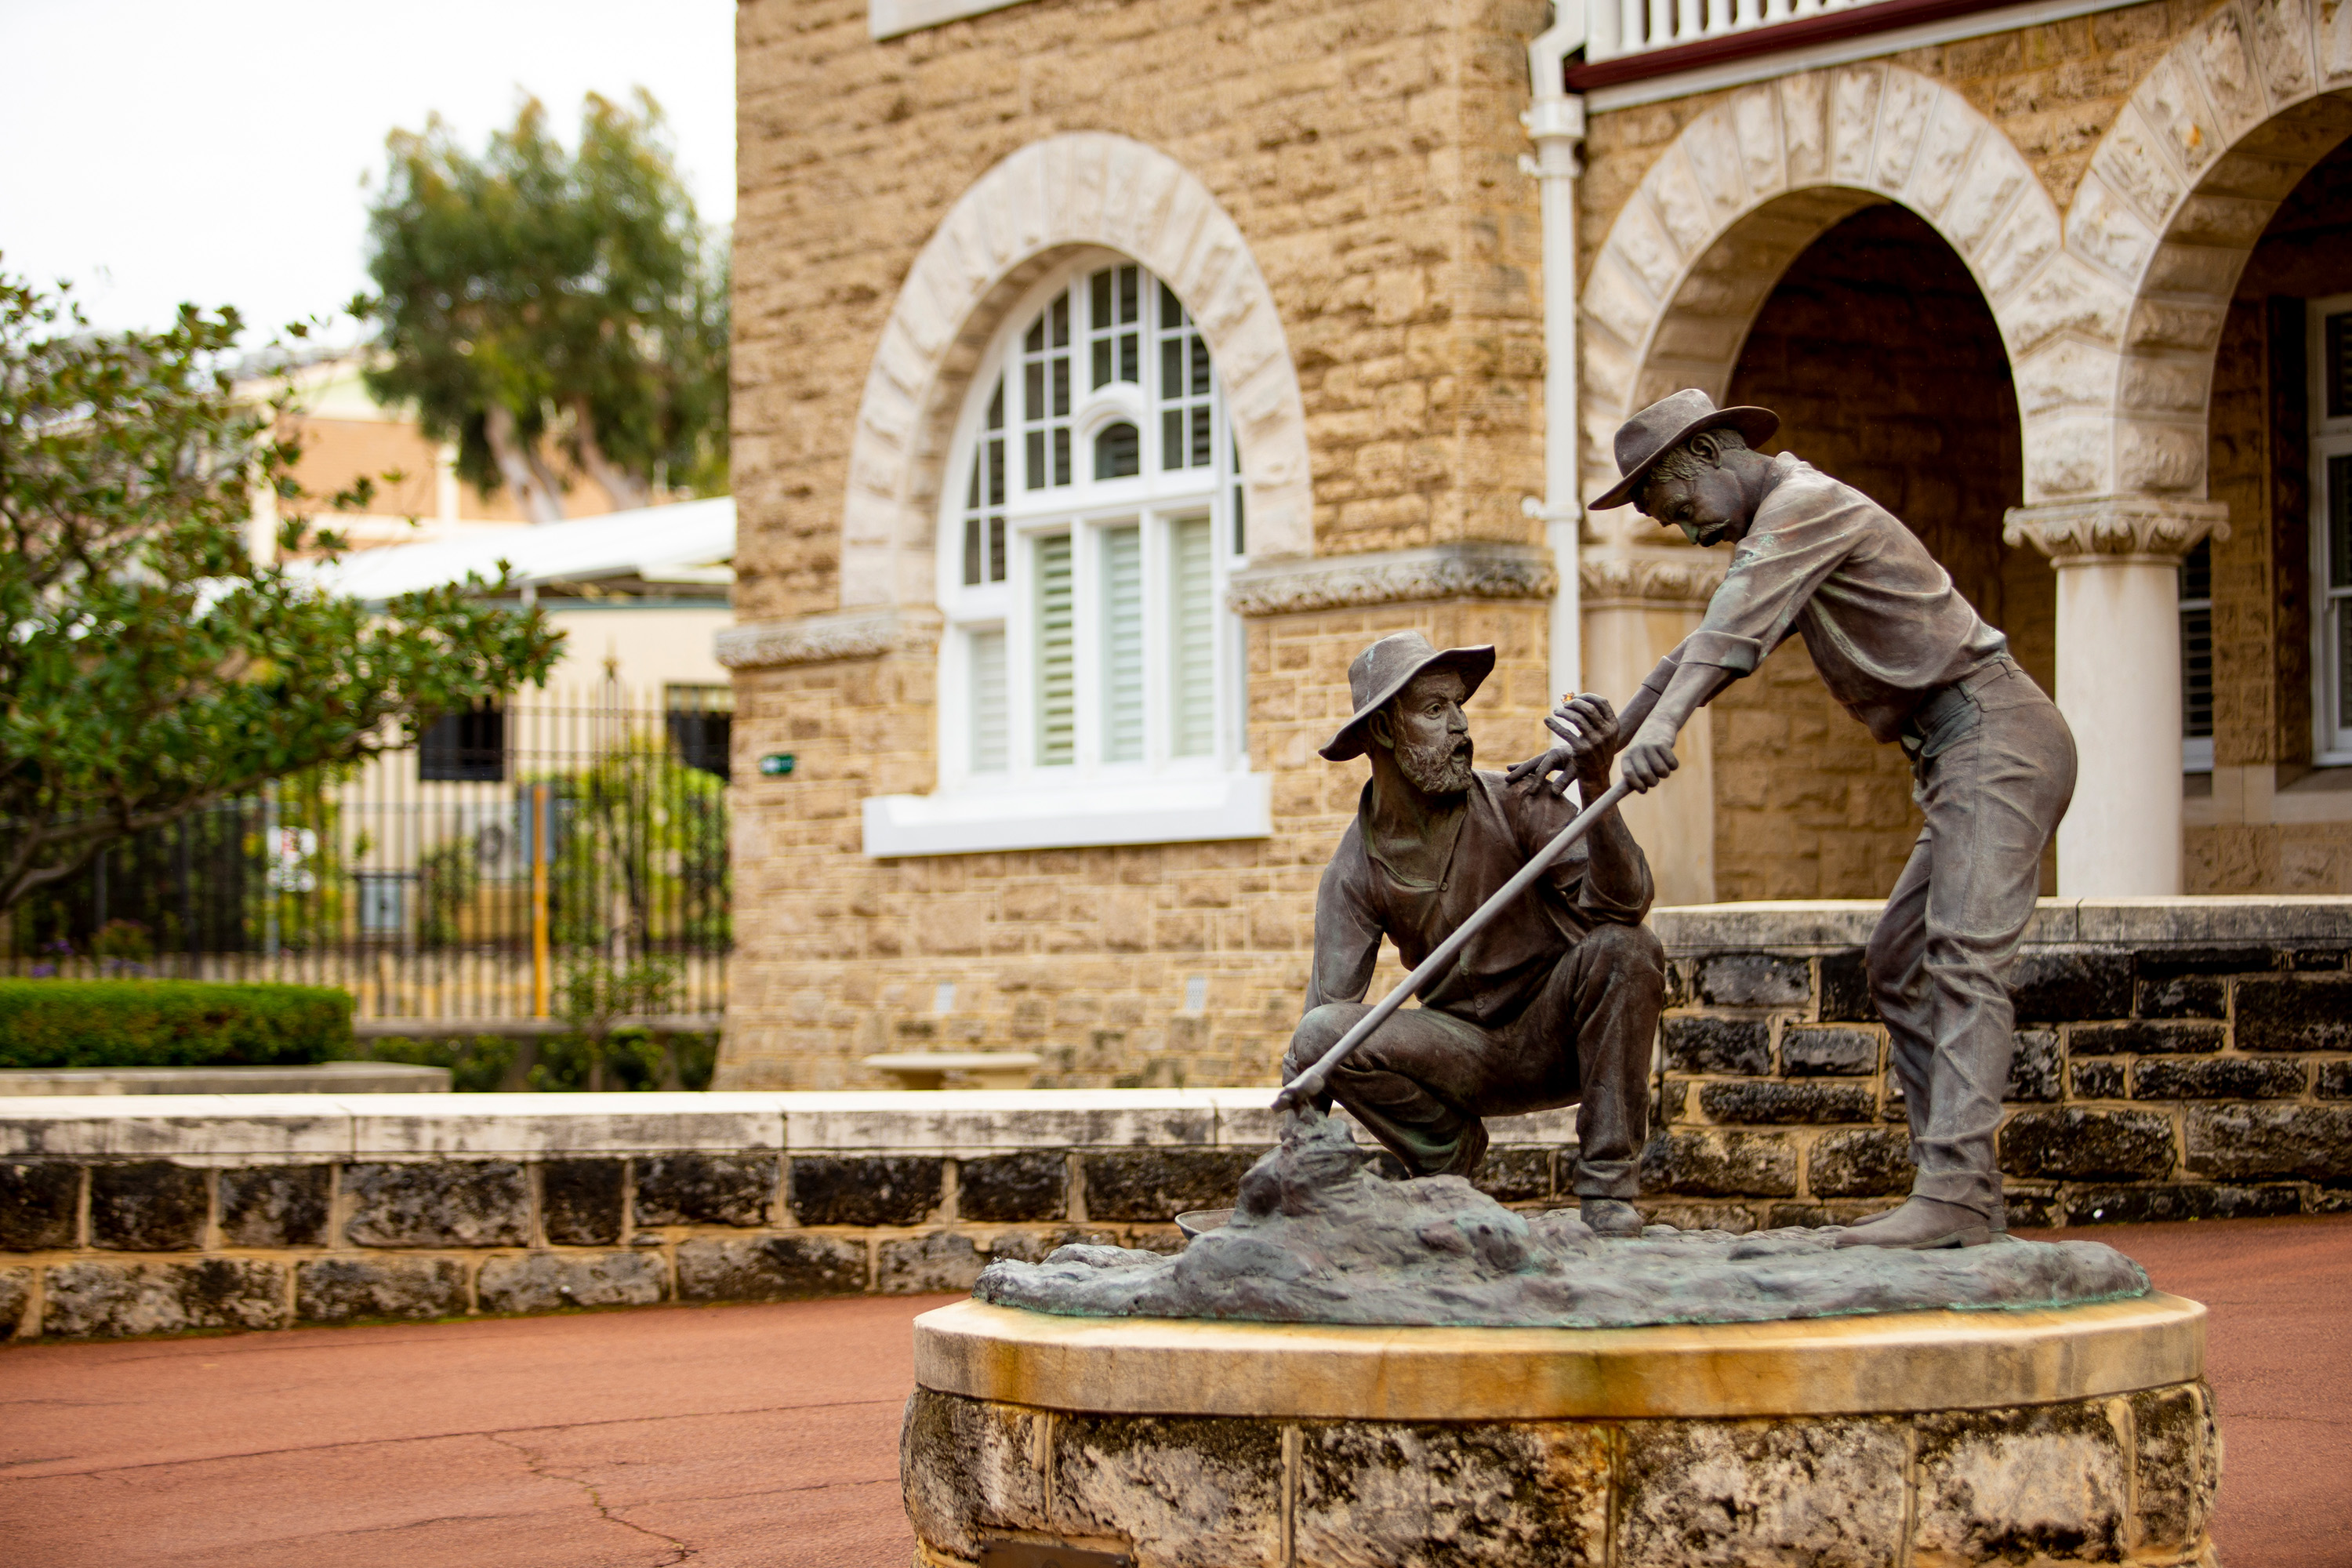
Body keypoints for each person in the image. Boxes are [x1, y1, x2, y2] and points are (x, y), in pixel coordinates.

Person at [1591, 389, 2077, 1250]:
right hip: (1958, 750)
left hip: (1996, 735)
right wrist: (1618, 730)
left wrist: (1664, 731)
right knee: (1901, 963)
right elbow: (1701, 639)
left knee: (1961, 954)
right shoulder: (1783, 534)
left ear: (1704, 457)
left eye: (1678, 509)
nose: (1688, 530)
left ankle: (1955, 1192)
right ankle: (1966, 1200)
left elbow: (1728, 634)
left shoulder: (1806, 507)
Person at [1279, 630, 1664, 1238]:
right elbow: (1323, 1032)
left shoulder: (1520, 800)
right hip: (1464, 1057)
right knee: (1321, 1034)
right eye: (1436, 710)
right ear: (1383, 731)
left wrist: (1596, 785)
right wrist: (1294, 1152)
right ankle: (1444, 1156)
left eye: (1460, 706)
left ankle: (1609, 1189)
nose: (1461, 726)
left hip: (1561, 1034)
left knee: (1626, 947)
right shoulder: (1353, 870)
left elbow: (1627, 902)